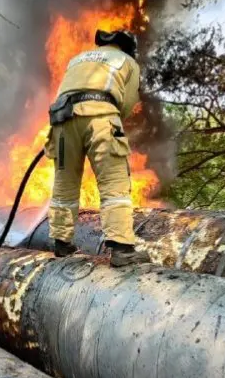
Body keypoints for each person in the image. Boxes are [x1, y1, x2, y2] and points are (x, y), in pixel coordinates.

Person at [44, 29, 151, 267]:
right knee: (114, 181)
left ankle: (61, 242)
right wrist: (113, 118)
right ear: (127, 47)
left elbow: (65, 91)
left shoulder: (77, 59)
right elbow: (127, 103)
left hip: (63, 120)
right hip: (101, 117)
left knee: (64, 182)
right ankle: (122, 248)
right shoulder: (127, 61)